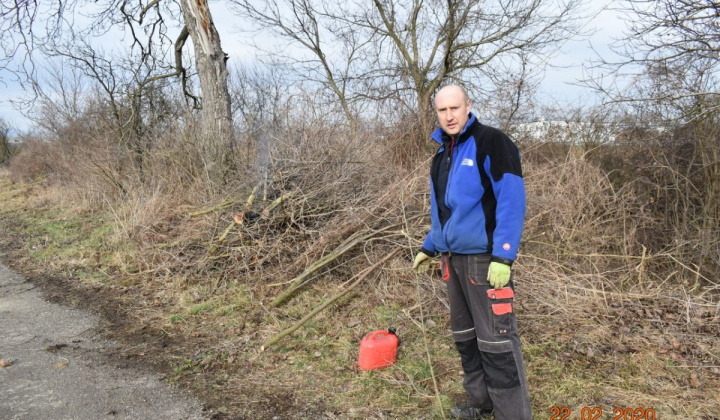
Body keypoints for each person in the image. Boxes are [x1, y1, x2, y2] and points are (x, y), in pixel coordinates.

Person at [412, 85, 531, 420]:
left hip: (485, 262)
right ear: (436, 113)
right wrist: (430, 246)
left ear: (468, 106)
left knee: (497, 342)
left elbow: (511, 200)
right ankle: (480, 404)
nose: (449, 116)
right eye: (442, 110)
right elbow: (445, 212)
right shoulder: (441, 155)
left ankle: (513, 415)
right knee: (466, 338)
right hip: (453, 262)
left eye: (455, 108)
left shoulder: (492, 142)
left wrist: (504, 256)